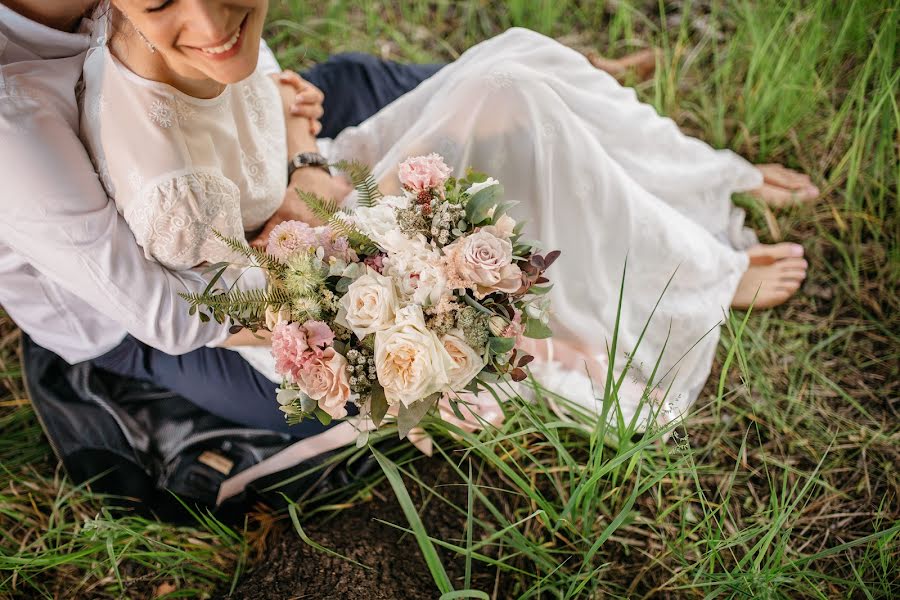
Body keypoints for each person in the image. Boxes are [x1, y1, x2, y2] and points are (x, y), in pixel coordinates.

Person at [77, 0, 817, 432]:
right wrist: (304, 160)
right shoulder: (171, 191)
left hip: (321, 183)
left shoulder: (185, 36)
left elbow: (265, 97)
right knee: (503, 113)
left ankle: (697, 183)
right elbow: (288, 302)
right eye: (161, 2)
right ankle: (686, 276)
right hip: (333, 295)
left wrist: (287, 117)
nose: (208, 21)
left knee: (514, 71)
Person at [0, 0, 441, 435]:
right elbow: (167, 313)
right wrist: (330, 265)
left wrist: (304, 160)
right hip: (142, 309)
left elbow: (231, 38)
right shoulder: (13, 129)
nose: (209, 24)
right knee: (349, 403)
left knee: (367, 81)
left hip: (227, 153)